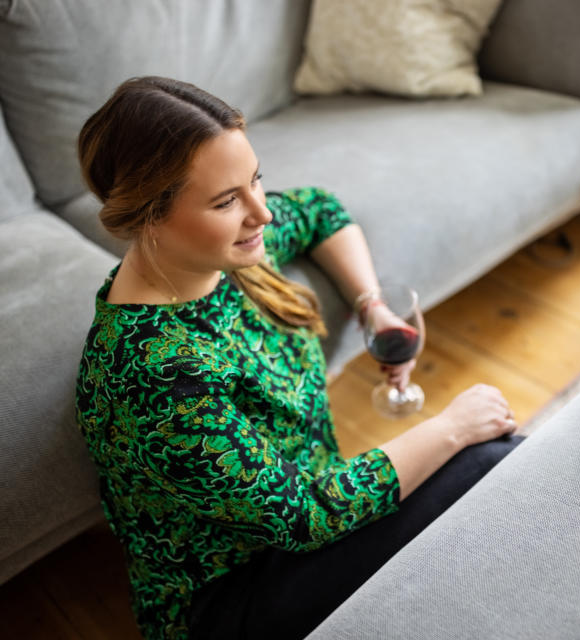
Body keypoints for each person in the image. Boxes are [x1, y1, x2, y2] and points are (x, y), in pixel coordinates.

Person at [74, 76, 522, 640]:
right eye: (226, 200)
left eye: (255, 180)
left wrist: (371, 307)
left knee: (492, 486)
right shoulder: (155, 377)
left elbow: (318, 208)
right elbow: (305, 513)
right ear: (149, 216)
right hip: (234, 595)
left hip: (298, 515)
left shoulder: (219, 259)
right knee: (487, 459)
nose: (260, 214)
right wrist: (452, 428)